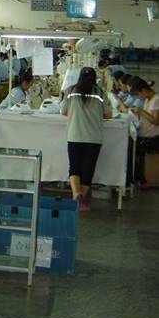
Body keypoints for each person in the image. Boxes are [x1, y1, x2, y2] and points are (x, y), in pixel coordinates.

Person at [60, 67, 112, 212]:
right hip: (93, 138)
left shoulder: (71, 91)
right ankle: (81, 199)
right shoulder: (100, 93)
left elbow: (63, 111)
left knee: (74, 167)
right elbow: (108, 114)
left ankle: (76, 194)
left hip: (74, 136)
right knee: (87, 169)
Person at [129, 77, 159, 188]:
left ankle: (142, 180)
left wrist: (141, 111)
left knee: (129, 151)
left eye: (138, 94)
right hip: (145, 136)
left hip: (154, 139)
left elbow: (156, 121)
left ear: (143, 90)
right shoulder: (148, 100)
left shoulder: (157, 100)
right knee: (128, 146)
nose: (138, 97)